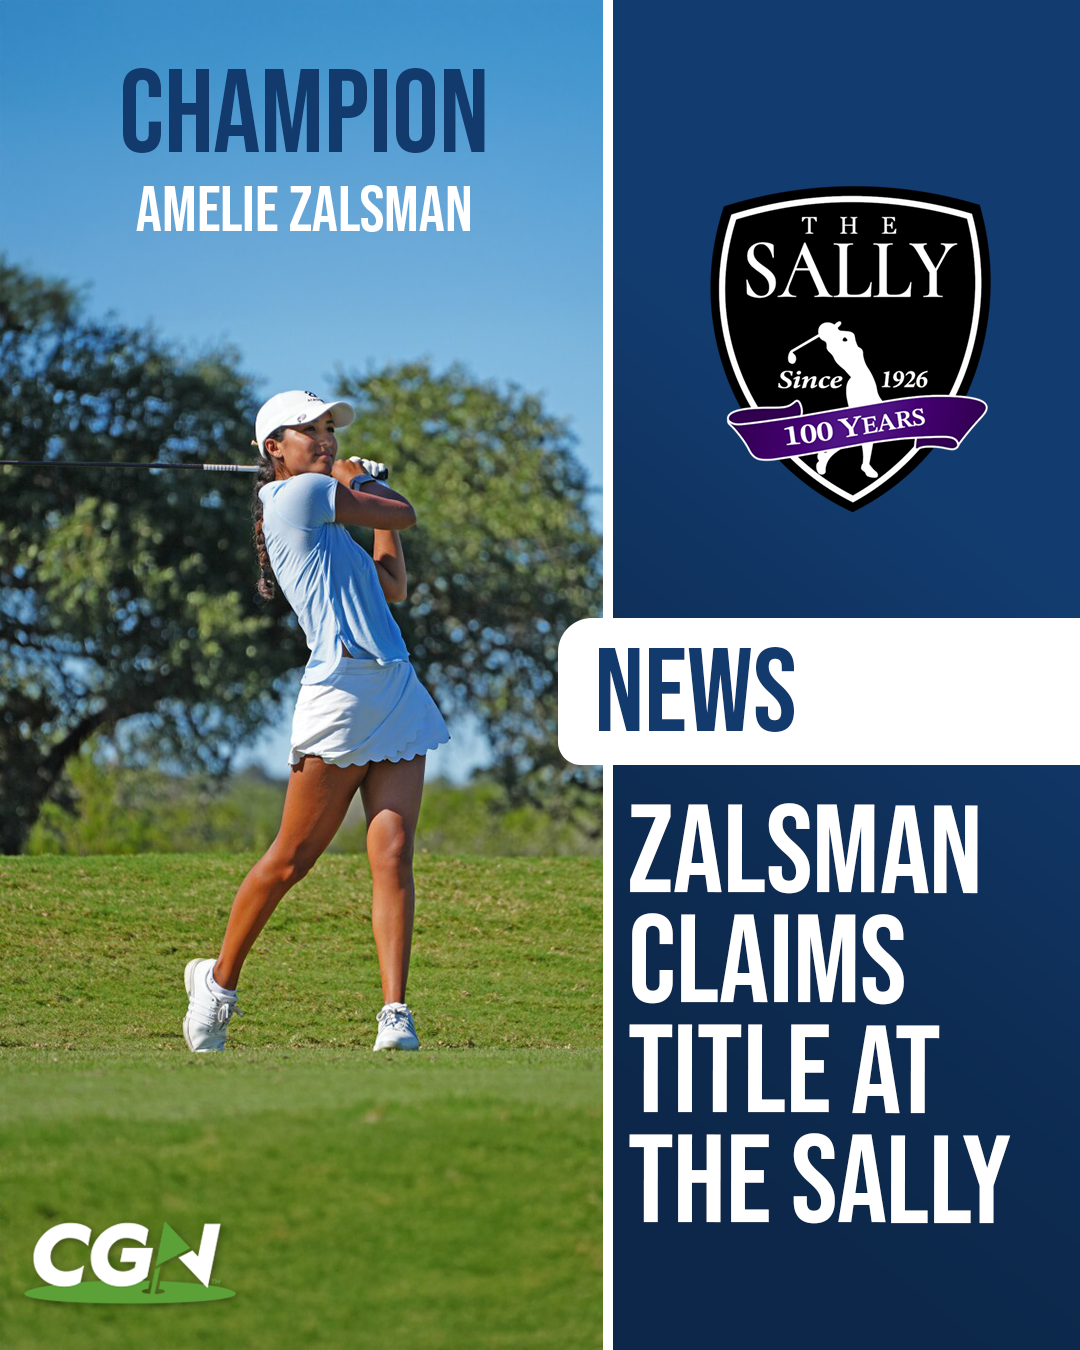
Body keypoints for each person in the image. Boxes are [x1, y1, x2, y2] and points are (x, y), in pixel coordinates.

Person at [183, 389, 449, 1054]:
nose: (325, 439)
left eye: (328, 429)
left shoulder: (325, 514)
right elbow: (407, 512)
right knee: (292, 859)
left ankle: (395, 1012)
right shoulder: (296, 497)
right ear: (274, 449)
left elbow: (392, 583)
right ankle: (215, 989)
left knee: (391, 854)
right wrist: (358, 479)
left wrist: (368, 493)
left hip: (394, 686)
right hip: (341, 692)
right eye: (310, 431)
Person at [812, 323, 881, 480]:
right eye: (833, 330)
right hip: (858, 385)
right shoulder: (835, 345)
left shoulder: (842, 339)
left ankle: (864, 463)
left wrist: (832, 330)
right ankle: (828, 454)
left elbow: (848, 336)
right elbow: (847, 336)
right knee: (858, 429)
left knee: (872, 428)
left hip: (868, 383)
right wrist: (833, 330)